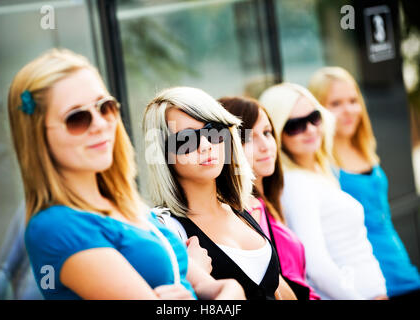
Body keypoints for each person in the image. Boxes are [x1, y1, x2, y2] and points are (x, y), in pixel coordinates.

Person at [7, 48, 244, 300]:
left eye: (105, 107)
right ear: (38, 136)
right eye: (77, 118)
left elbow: (226, 290)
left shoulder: (128, 205)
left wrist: (230, 291)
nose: (100, 124)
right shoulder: (57, 226)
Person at [143, 86, 296, 300]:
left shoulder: (241, 210)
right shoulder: (167, 230)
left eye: (213, 131)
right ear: (162, 153)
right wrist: (194, 276)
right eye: (186, 139)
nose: (205, 145)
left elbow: (277, 289)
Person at [259, 83, 387, 300]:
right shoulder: (295, 184)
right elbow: (316, 266)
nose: (310, 128)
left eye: (314, 117)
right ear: (278, 133)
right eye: (295, 125)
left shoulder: (319, 169)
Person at [308, 66, 420, 299]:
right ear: (318, 110)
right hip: (370, 284)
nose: (348, 110)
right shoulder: (320, 165)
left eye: (352, 100)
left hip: (402, 268)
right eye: (335, 104)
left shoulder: (364, 147)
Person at [219, 96, 320, 300]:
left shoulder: (266, 204)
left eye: (267, 133)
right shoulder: (244, 212)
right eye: (247, 138)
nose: (265, 145)